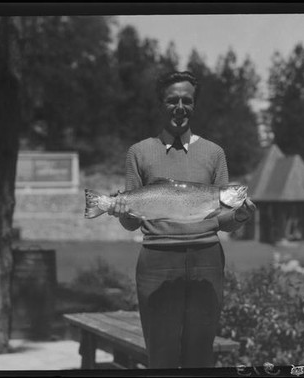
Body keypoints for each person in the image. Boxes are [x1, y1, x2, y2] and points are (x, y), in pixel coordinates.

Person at [108, 71, 255, 369]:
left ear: (194, 105)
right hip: (157, 260)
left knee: (200, 357)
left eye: (187, 100)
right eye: (172, 100)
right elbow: (132, 223)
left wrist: (240, 215)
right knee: (161, 357)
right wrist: (122, 213)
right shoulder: (139, 152)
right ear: (160, 104)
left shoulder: (214, 153)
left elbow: (224, 220)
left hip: (207, 260)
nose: (179, 107)